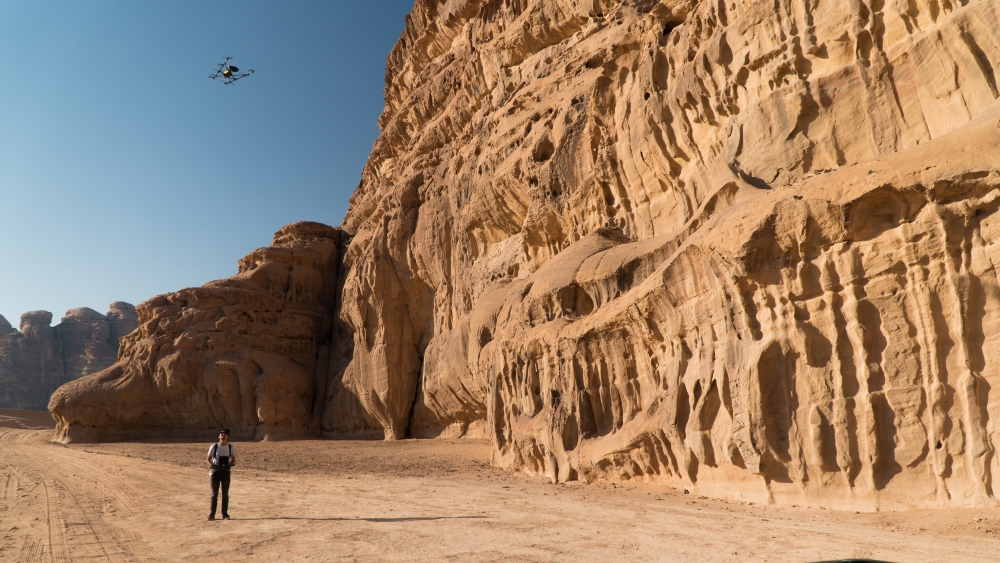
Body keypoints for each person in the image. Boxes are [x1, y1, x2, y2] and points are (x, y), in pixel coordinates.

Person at [206, 429, 236, 520]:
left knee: (225, 494)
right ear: (219, 436)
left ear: (228, 436)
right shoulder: (214, 447)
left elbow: (233, 459)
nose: (223, 435)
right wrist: (213, 465)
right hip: (215, 472)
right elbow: (208, 459)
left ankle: (225, 514)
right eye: (221, 433)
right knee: (214, 494)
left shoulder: (231, 447)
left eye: (225, 434)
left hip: (226, 472)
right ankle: (212, 514)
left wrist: (229, 464)